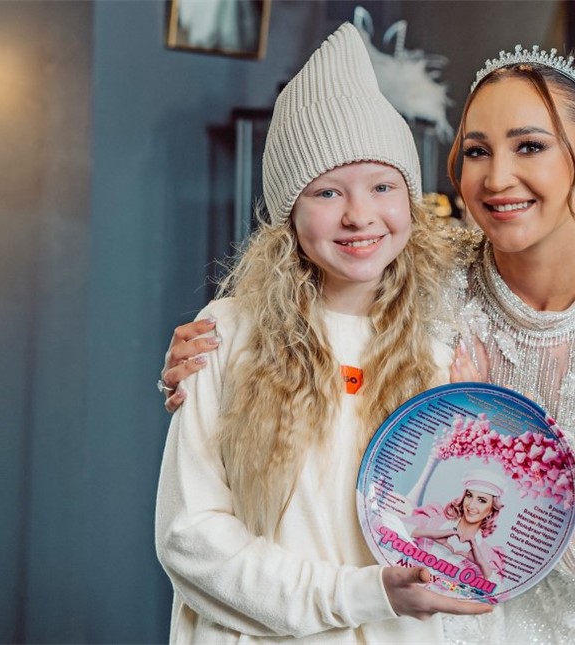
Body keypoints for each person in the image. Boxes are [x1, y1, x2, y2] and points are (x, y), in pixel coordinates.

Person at [161, 41, 575, 644]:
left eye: (530, 146)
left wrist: (496, 465)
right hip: (428, 599)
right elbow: (313, 319)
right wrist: (207, 358)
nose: (499, 177)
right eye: (477, 151)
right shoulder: (420, 277)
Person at [154, 22, 493, 645]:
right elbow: (190, 537)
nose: (359, 215)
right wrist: (359, 594)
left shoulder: (444, 352)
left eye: (383, 186)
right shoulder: (225, 335)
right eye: (328, 192)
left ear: (411, 203)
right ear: (289, 214)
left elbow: (462, 534)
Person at [408, 469, 507, 585]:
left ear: (491, 510)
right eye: (469, 496)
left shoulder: (488, 557)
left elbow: (499, 592)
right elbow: (389, 524)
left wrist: (481, 563)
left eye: (482, 500)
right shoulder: (433, 518)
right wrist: (430, 533)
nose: (471, 505)